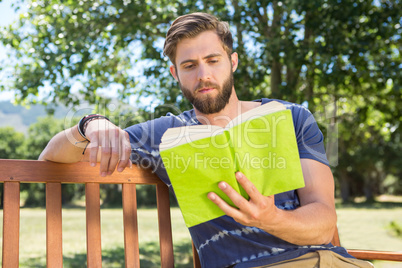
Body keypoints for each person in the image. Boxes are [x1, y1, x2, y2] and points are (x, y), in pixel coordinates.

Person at [39, 12, 373, 268]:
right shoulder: (165, 135)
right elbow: (49, 158)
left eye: (213, 61)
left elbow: (324, 221)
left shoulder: (292, 118)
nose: (204, 75)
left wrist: (271, 218)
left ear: (233, 61)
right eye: (189, 65)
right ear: (175, 74)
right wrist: (91, 125)